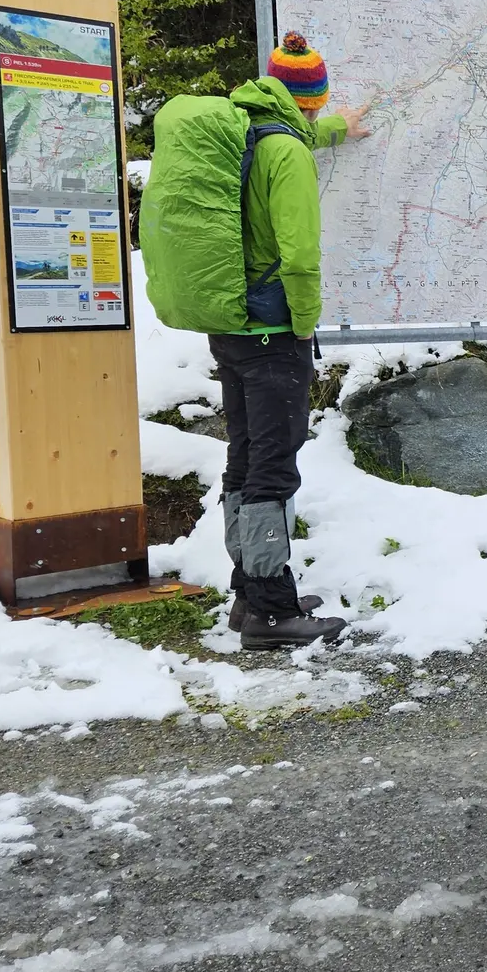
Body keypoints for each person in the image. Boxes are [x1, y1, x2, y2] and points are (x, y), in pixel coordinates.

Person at [217, 32, 366, 649]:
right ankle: (273, 613)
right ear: (313, 96)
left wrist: (333, 130)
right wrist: (305, 323)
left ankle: (248, 594)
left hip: (229, 324)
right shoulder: (288, 154)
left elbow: (295, 134)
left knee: (245, 455)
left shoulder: (243, 131)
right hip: (275, 329)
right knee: (274, 465)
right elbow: (300, 254)